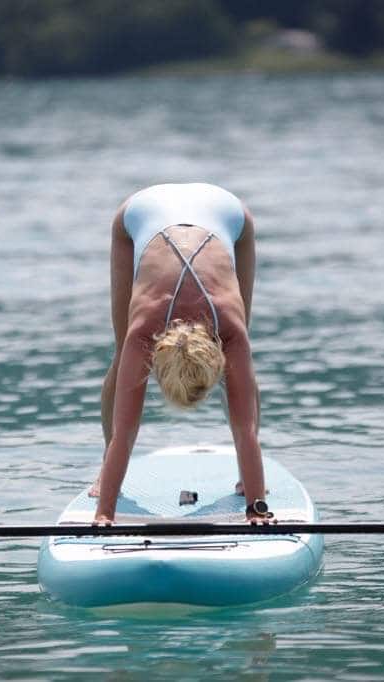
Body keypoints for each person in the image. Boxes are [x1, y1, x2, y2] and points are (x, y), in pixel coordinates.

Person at [88, 183, 273, 525]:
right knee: (121, 352)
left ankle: (248, 482)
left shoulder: (230, 328)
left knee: (242, 371)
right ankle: (106, 472)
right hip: (143, 212)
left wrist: (257, 509)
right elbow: (125, 430)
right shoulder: (142, 330)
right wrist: (104, 514)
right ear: (154, 361)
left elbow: (244, 428)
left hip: (227, 213)